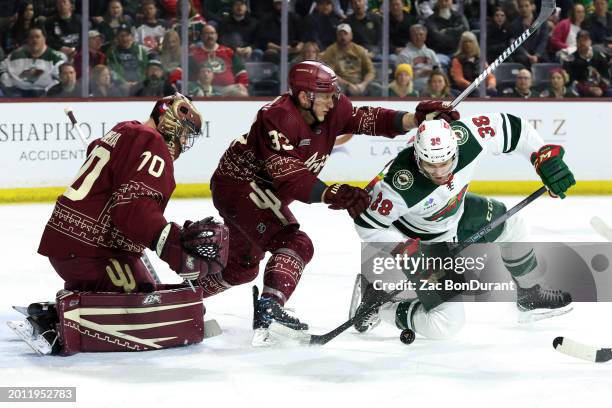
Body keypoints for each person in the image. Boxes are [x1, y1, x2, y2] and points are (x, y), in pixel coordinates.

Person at [197, 60, 458, 345]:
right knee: (296, 243)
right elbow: (290, 177)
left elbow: (365, 119)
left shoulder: (333, 108)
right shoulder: (276, 117)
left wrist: (414, 119)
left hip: (262, 194)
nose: (333, 101)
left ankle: (184, 297)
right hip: (239, 185)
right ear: (304, 96)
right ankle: (270, 309)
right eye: (325, 95)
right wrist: (333, 193)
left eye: (334, 94)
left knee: (241, 269)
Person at [10, 94, 228, 356]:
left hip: (71, 244)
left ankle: (62, 307)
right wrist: (174, 245)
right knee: (148, 307)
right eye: (184, 134)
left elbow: (98, 156)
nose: (183, 142)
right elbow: (134, 211)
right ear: (170, 122)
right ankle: (58, 322)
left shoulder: (124, 129)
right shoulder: (151, 141)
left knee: (147, 290)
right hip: (93, 251)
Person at [351, 113, 575, 340]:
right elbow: (367, 226)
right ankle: (378, 304)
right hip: (426, 241)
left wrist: (543, 157)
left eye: (445, 162)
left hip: (457, 213)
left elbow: (514, 128)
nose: (439, 172)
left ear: (456, 150)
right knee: (446, 324)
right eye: (430, 164)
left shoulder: (467, 137)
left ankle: (529, 294)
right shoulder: (399, 186)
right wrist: (406, 250)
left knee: (513, 226)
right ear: (418, 157)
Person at [0, 26, 66, 97]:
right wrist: (7, 82)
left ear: (44, 39)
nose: (34, 40)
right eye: (31, 37)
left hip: (44, 95)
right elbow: (2, 67)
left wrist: (47, 91)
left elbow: (60, 80)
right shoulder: (16, 54)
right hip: (15, 93)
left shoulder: (57, 58)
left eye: (37, 37)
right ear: (27, 40)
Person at [321, 24, 378, 96]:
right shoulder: (330, 51)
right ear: (336, 36)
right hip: (341, 83)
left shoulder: (359, 50)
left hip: (359, 82)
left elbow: (371, 71)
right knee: (335, 87)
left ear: (351, 35)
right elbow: (329, 74)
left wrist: (363, 84)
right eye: (340, 34)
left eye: (345, 34)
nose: (343, 37)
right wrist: (348, 85)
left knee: (376, 88)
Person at [450, 31, 497, 96]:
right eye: (465, 42)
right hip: (465, 89)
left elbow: (490, 77)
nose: (468, 44)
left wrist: (491, 85)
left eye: (470, 41)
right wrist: (472, 86)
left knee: (493, 92)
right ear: (461, 44)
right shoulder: (457, 60)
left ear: (475, 43)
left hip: (480, 88)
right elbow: (459, 79)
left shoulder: (481, 59)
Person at [396, 24, 441, 93]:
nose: (418, 37)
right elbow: (403, 79)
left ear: (425, 37)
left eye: (421, 34)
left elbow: (439, 71)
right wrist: (420, 73)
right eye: (415, 35)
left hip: (433, 83)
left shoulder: (431, 52)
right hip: (414, 85)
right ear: (411, 37)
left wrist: (433, 72)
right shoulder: (404, 54)